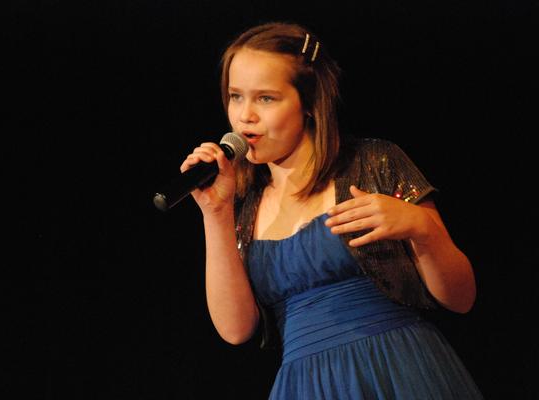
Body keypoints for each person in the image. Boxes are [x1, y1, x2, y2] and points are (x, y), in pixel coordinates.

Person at [179, 21, 483, 399]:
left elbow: (461, 298)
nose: (245, 115)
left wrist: (422, 228)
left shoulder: (374, 163)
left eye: (266, 99)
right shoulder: (244, 206)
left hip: (394, 368)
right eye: (236, 96)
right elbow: (235, 329)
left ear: (308, 102)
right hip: (306, 385)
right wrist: (215, 213)